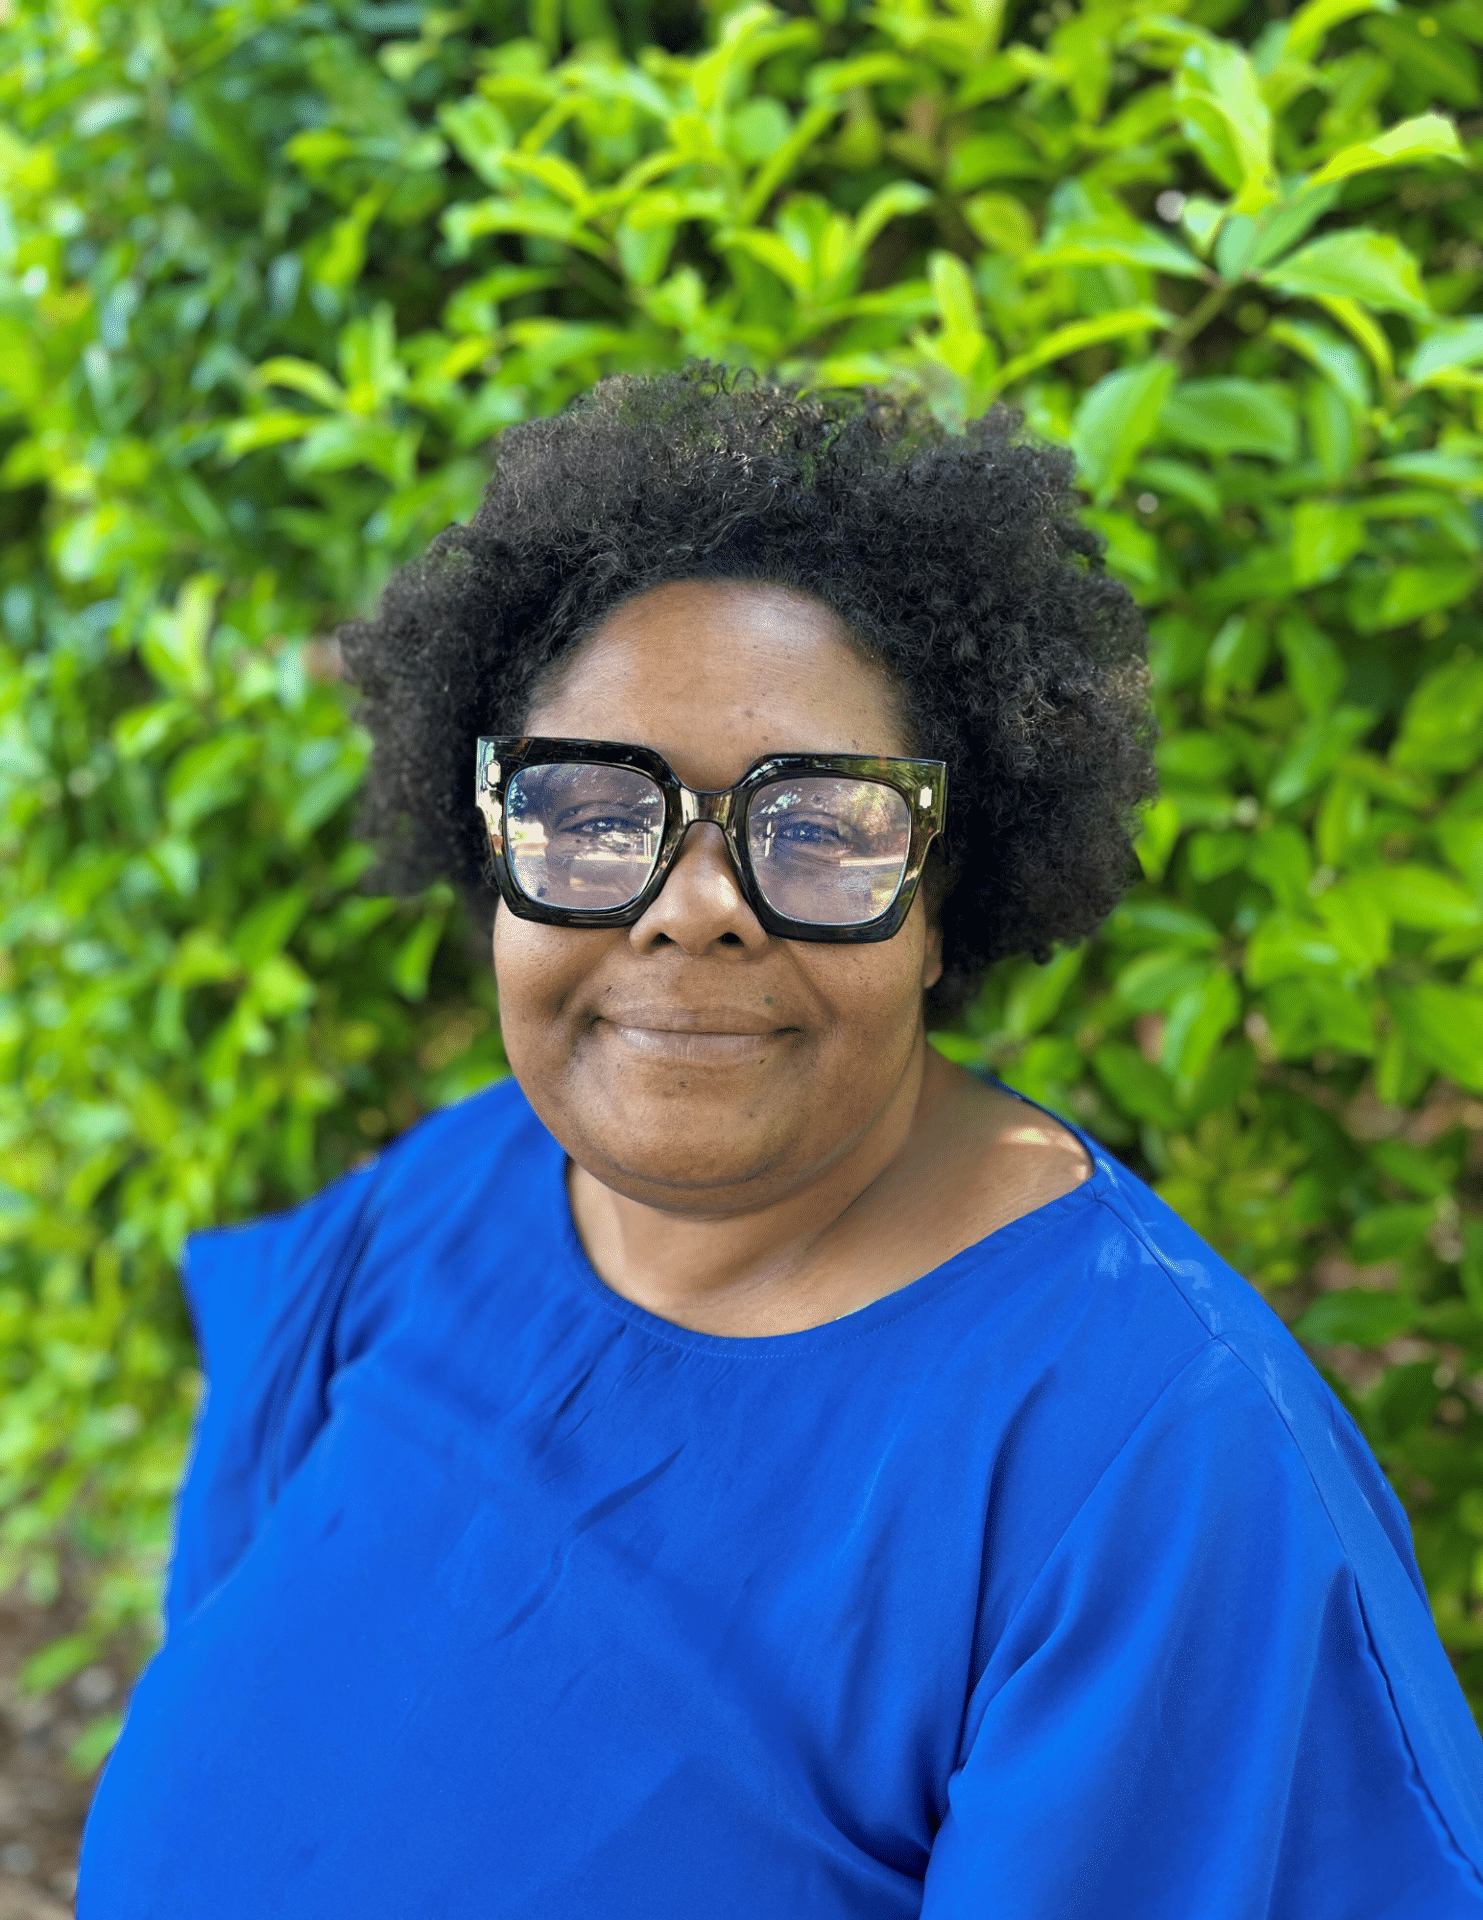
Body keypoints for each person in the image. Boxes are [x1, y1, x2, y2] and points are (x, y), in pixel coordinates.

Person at [79, 368, 1483, 1917]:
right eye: (595, 812)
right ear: (494, 848)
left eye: (816, 824)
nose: (694, 904)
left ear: (942, 898)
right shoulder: (443, 1199)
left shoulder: (1154, 1466)